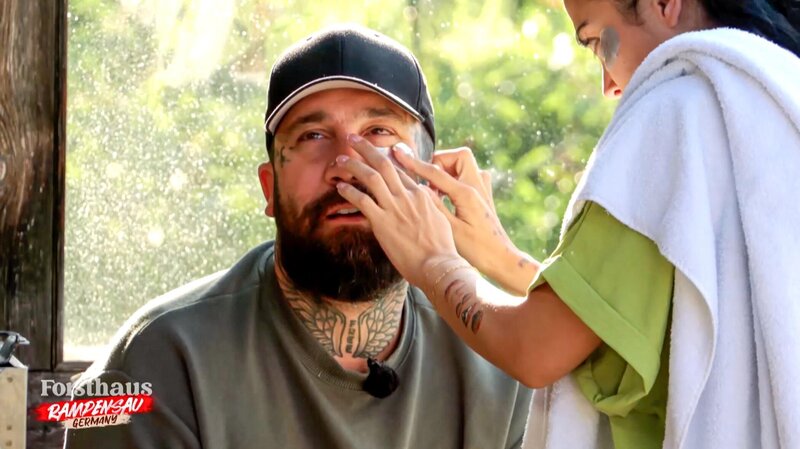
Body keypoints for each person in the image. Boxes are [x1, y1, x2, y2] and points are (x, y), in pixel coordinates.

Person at [332, 1, 800, 449]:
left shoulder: (673, 110)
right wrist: (503, 258)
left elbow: (537, 350)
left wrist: (432, 260)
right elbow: (609, 322)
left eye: (595, 42)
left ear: (664, 3)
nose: (608, 86)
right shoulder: (770, 102)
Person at [63, 25, 532, 449]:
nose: (346, 165)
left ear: (431, 181)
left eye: (378, 132)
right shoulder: (157, 363)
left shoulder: (502, 358)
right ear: (269, 187)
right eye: (312, 136)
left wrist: (504, 264)